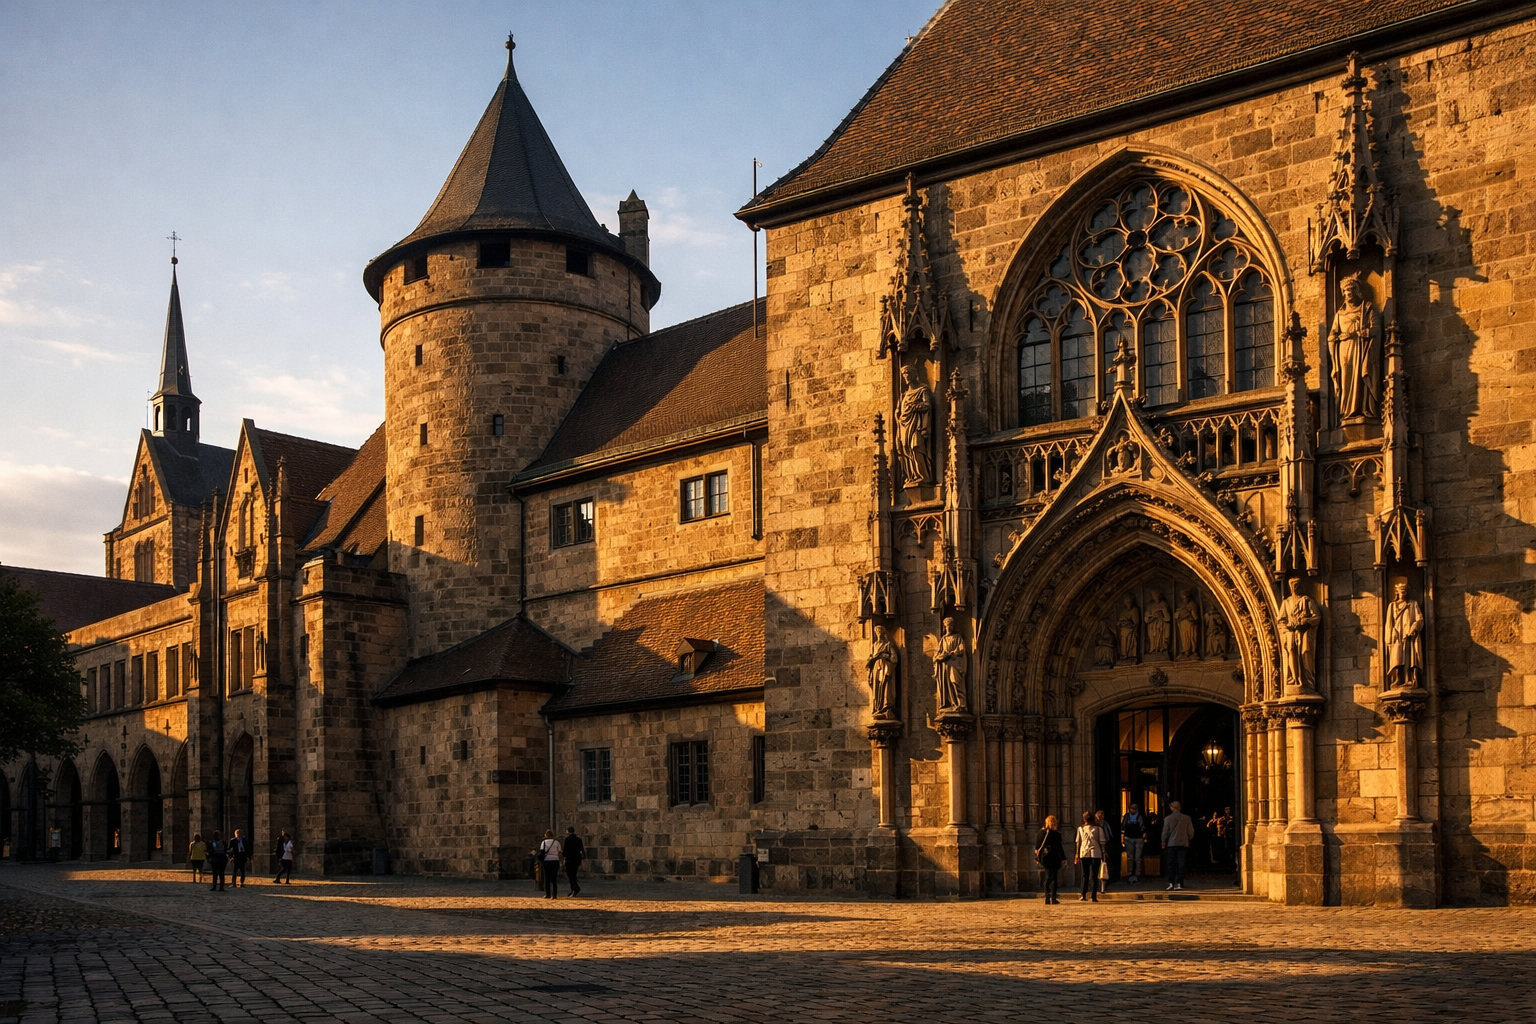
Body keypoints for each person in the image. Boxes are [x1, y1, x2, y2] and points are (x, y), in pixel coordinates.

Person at [1161, 800, 1194, 891]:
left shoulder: (1168, 819)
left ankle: (1171, 882)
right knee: (1181, 862)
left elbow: (1165, 832)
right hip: (1183, 843)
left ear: (1172, 808)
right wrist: (1189, 838)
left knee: (1171, 863)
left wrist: (1163, 841)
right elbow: (1191, 832)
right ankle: (1180, 882)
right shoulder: (1187, 818)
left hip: (1172, 843)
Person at [1074, 811, 1106, 902]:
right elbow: (1102, 842)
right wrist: (1103, 853)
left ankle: (1083, 894)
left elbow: (1078, 843)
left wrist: (1077, 854)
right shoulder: (1098, 829)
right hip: (1095, 853)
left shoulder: (1081, 829)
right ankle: (1093, 896)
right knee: (1094, 875)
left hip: (1084, 853)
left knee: (1085, 874)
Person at [1034, 815, 1065, 905]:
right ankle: (1054, 898)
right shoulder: (1057, 834)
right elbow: (1060, 847)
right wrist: (1064, 858)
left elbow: (1037, 847)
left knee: (1048, 875)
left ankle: (1047, 897)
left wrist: (1037, 858)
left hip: (1045, 857)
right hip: (1054, 857)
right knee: (1054, 877)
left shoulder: (1040, 833)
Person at [1120, 803, 1146, 884]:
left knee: (1138, 857)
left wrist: (1144, 834)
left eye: (1134, 808)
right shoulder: (1126, 816)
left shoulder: (1140, 817)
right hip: (1129, 838)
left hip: (1138, 838)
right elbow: (1123, 827)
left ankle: (1138, 874)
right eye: (1132, 808)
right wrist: (1122, 837)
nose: (1133, 810)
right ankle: (1130, 873)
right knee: (1130, 857)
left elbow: (1143, 826)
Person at [1093, 810, 1116, 894]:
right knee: (1100, 867)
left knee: (1103, 867)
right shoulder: (1095, 826)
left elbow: (1109, 836)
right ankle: (1100, 887)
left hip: (1103, 847)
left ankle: (1102, 887)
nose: (1100, 818)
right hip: (1098, 847)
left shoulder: (1103, 825)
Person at [538, 829, 563, 899]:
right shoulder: (557, 842)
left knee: (547, 878)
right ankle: (554, 894)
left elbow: (541, 852)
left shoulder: (544, 842)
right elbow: (560, 852)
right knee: (554, 878)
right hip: (555, 860)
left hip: (547, 860)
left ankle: (548, 894)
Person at [563, 826, 585, 897]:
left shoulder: (567, 839)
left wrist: (564, 857)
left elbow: (565, 850)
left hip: (570, 859)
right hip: (577, 859)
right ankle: (573, 889)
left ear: (568, 831)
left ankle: (575, 888)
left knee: (570, 875)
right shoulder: (578, 839)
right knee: (574, 874)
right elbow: (581, 849)